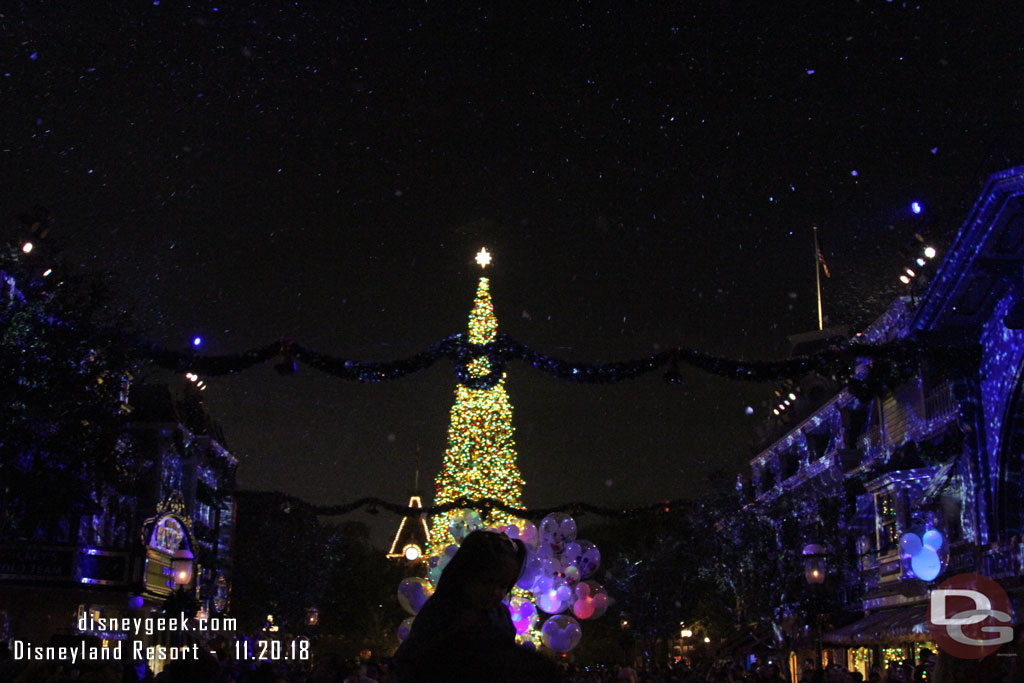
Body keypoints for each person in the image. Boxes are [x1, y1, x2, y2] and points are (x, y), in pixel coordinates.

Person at [392, 529, 561, 683]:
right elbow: (408, 663)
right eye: (486, 582)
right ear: (465, 575)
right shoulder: (441, 613)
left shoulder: (500, 615)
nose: (495, 591)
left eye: (503, 585)